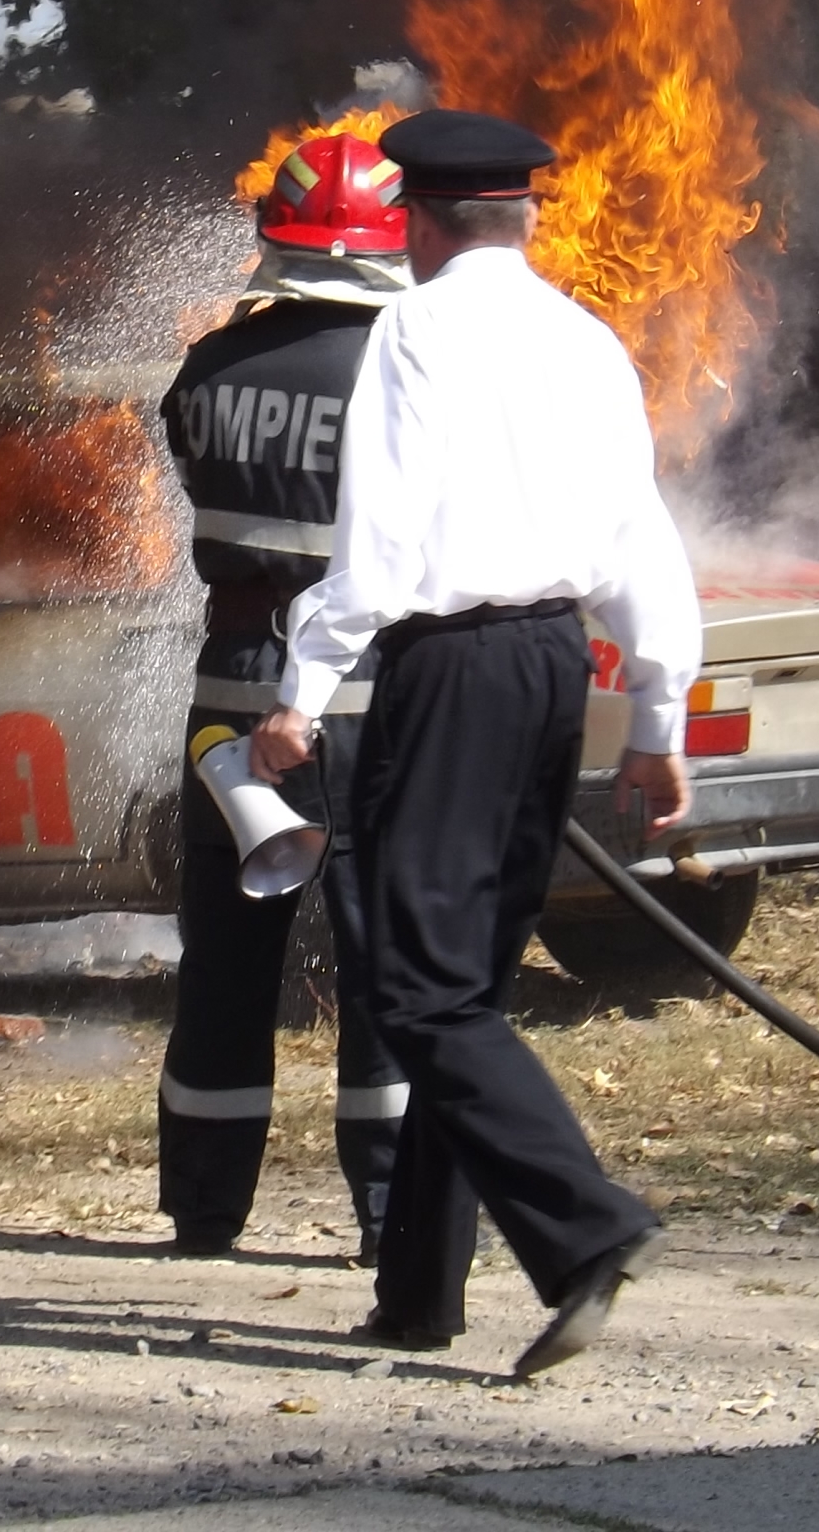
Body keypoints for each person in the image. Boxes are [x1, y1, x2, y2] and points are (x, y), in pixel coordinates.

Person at [248, 107, 701, 1381]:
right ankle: (418, 1293)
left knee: (420, 989)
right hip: (558, 664)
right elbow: (642, 538)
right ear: (529, 215)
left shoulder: (415, 328)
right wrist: (658, 718)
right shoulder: (588, 341)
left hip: (449, 671)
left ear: (417, 222)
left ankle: (587, 1227)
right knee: (467, 987)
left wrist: (305, 683)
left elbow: (379, 533)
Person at [154, 130, 448, 1320]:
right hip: (371, 705)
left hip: (228, 704)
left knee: (225, 961)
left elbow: (191, 481)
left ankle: (204, 1207)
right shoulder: (408, 373)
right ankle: (385, 1211)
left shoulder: (206, 370)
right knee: (385, 967)